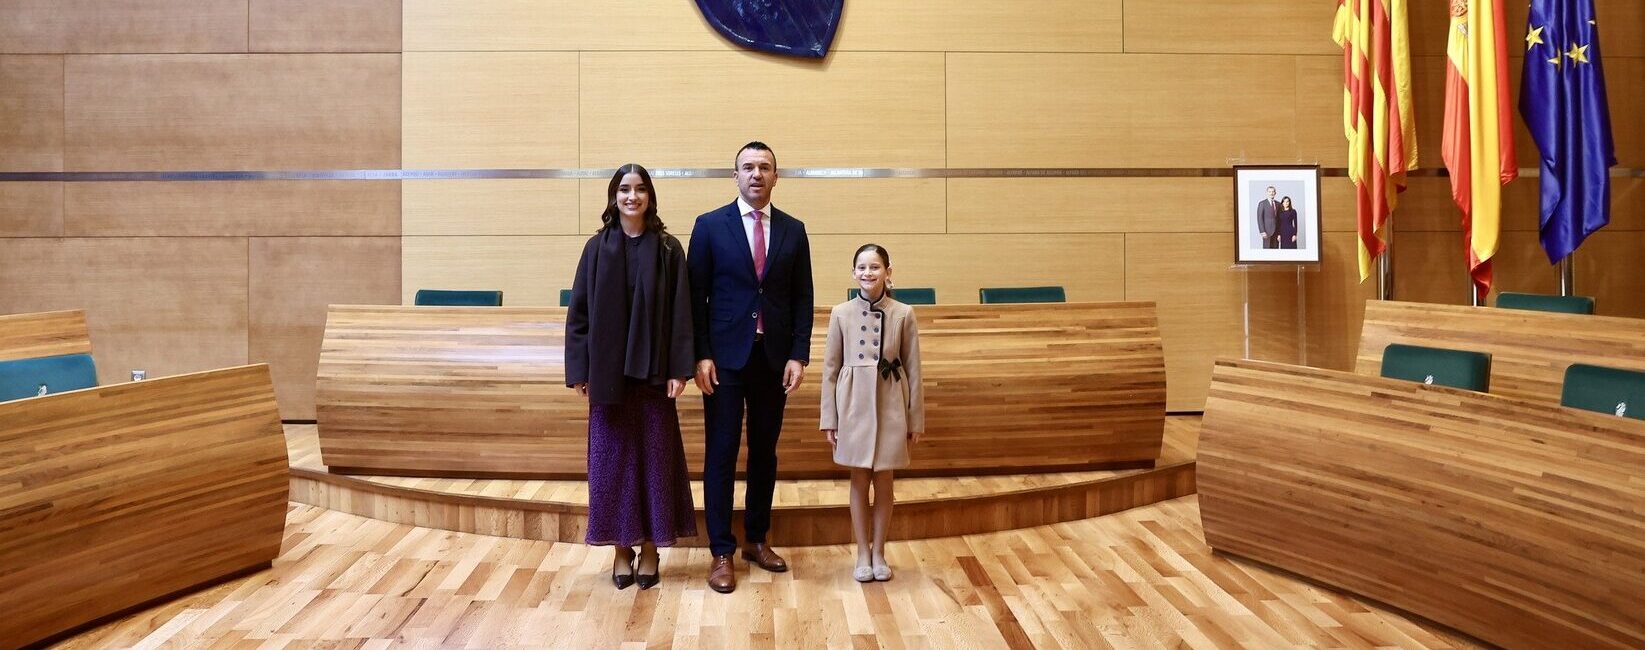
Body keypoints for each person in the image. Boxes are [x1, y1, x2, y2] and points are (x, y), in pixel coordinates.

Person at [688, 141, 815, 594]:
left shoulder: (794, 230)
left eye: (764, 167)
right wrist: (700, 354)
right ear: (736, 176)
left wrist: (799, 354)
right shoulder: (709, 226)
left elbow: (803, 297)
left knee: (764, 453)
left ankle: (756, 540)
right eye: (748, 167)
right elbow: (695, 298)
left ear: (776, 177)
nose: (756, 174)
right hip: (724, 361)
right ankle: (721, 550)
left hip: (773, 359)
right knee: (721, 454)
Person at [565, 163, 697, 591]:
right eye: (624, 189)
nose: (632, 196)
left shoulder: (669, 249)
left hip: (655, 378)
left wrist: (680, 369)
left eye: (640, 189)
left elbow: (682, 313)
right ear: (614, 196)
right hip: (608, 378)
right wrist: (580, 370)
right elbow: (579, 314)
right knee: (613, 466)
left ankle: (652, 549)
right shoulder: (596, 248)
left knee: (655, 465)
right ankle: (622, 549)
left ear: (650, 197)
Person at [820, 244, 924, 582]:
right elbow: (830, 369)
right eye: (862, 267)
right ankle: (862, 552)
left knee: (885, 481)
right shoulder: (840, 313)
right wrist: (829, 417)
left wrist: (915, 418)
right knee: (858, 479)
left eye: (875, 267)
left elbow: (913, 368)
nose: (868, 273)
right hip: (853, 405)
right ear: (853, 273)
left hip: (891, 403)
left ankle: (879, 551)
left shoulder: (904, 313)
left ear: (888, 272)